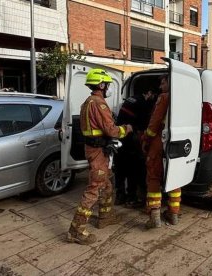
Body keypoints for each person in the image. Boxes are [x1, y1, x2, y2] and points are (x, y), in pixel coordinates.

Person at [67, 68, 133, 245]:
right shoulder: (99, 104)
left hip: (95, 149)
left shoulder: (87, 102)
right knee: (94, 188)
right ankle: (76, 230)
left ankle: (105, 216)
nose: (110, 88)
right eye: (108, 85)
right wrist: (127, 128)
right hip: (98, 152)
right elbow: (112, 130)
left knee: (107, 184)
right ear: (101, 85)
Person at [141, 74, 181, 228]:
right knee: (176, 177)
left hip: (160, 141)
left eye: (163, 82)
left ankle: (155, 217)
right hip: (178, 141)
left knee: (154, 177)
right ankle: (174, 214)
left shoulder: (164, 97)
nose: (160, 86)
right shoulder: (185, 97)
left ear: (170, 82)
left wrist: (145, 138)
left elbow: (154, 123)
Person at [114, 90, 157, 207]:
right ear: (149, 92)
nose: (153, 98)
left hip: (120, 136)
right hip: (131, 138)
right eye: (153, 95)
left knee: (120, 168)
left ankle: (119, 196)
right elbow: (144, 126)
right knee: (133, 169)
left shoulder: (131, 98)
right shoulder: (143, 103)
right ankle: (131, 198)